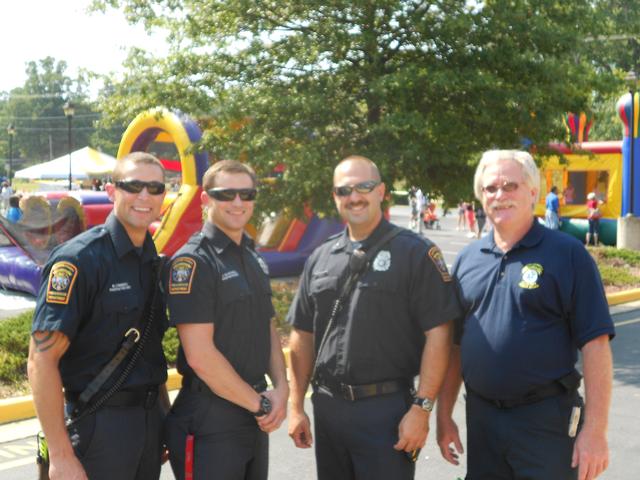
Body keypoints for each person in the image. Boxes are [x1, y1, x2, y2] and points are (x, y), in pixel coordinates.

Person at [437, 150, 615, 480]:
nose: (500, 196)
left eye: (510, 186)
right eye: (490, 189)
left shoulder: (568, 255)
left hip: (546, 422)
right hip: (482, 420)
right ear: (480, 196)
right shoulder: (467, 260)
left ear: (533, 192)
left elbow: (596, 345)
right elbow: (457, 348)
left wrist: (595, 432)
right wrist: (443, 415)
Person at [287, 155, 460, 480]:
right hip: (328, 411)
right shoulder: (320, 257)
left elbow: (440, 334)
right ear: (335, 196)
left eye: (364, 186)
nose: (354, 196)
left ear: (381, 191)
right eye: (344, 190)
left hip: (387, 413)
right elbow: (302, 334)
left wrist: (421, 409)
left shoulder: (415, 253)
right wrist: (296, 406)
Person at [27, 152, 170, 480]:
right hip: (97, 425)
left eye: (154, 188)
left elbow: (147, 351)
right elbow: (40, 361)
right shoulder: (80, 260)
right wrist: (61, 456)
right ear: (111, 191)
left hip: (148, 424)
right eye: (133, 185)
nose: (144, 196)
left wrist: (162, 418)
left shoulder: (154, 262)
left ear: (164, 195)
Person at [164, 160, 288, 480]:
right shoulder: (193, 261)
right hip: (210, 419)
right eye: (226, 194)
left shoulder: (252, 256)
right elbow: (200, 356)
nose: (237, 202)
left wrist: (282, 388)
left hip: (252, 413)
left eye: (246, 194)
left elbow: (268, 326)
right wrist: (259, 405)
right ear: (206, 199)